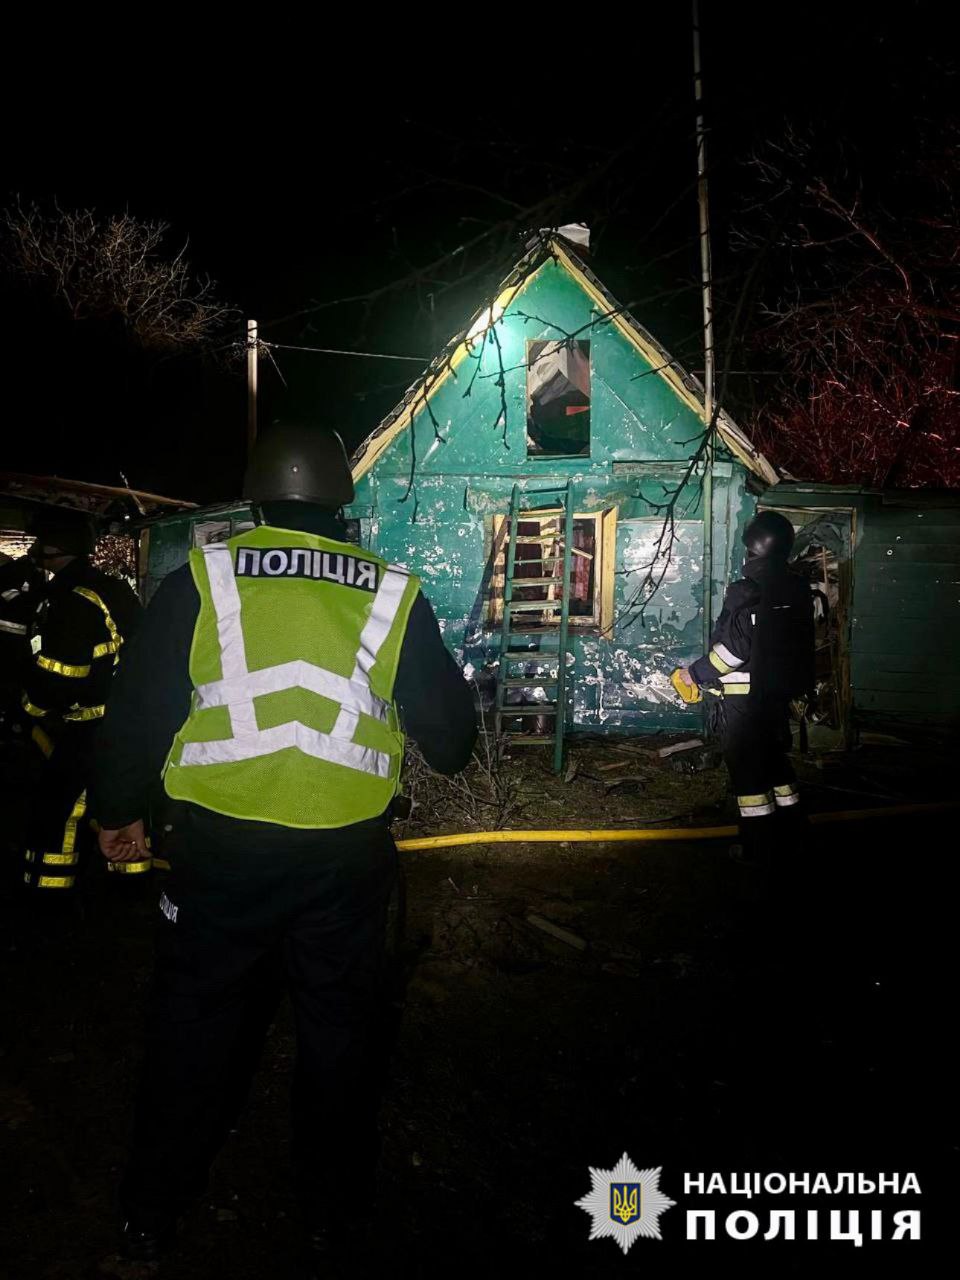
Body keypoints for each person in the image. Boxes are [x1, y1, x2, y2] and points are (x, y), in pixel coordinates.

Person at [93, 425, 477, 1271]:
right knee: (339, 1036)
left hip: (216, 854)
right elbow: (451, 743)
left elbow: (140, 710)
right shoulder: (394, 592)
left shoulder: (202, 578)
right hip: (344, 860)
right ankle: (330, 1213)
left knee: (192, 1027)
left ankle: (150, 1213)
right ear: (341, 495)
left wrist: (117, 809)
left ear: (256, 493)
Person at [675, 509, 815, 865]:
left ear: (753, 549)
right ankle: (794, 835)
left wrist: (695, 673)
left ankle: (759, 850)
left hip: (743, 703)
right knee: (776, 766)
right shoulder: (796, 589)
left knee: (749, 776)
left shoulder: (746, 591)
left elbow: (733, 652)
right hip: (775, 698)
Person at [20, 513, 141, 894]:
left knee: (58, 809)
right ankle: (129, 883)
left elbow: (62, 675)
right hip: (126, 720)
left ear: (56, 549)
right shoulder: (111, 588)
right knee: (121, 803)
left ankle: (47, 890)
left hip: (90, 726)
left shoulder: (71, 598)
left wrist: (32, 709)